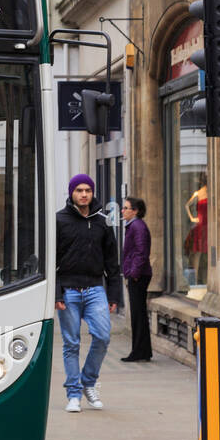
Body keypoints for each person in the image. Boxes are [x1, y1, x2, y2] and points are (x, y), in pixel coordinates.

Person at [55, 173, 120, 412]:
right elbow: (52, 260)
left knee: (102, 336)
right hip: (69, 291)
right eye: (79, 190)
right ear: (71, 192)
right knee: (71, 344)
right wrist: (56, 294)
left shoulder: (102, 220)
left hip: (95, 289)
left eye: (88, 190)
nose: (84, 194)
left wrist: (114, 294)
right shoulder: (60, 220)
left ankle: (88, 382)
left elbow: (112, 260)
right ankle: (74, 394)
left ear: (93, 193)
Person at [121, 196, 154, 362]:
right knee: (138, 314)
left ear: (135, 211)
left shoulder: (137, 226)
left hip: (139, 276)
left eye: (126, 208)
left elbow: (141, 252)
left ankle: (139, 351)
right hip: (138, 274)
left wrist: (134, 273)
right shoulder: (133, 226)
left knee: (138, 314)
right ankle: (142, 351)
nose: (123, 211)